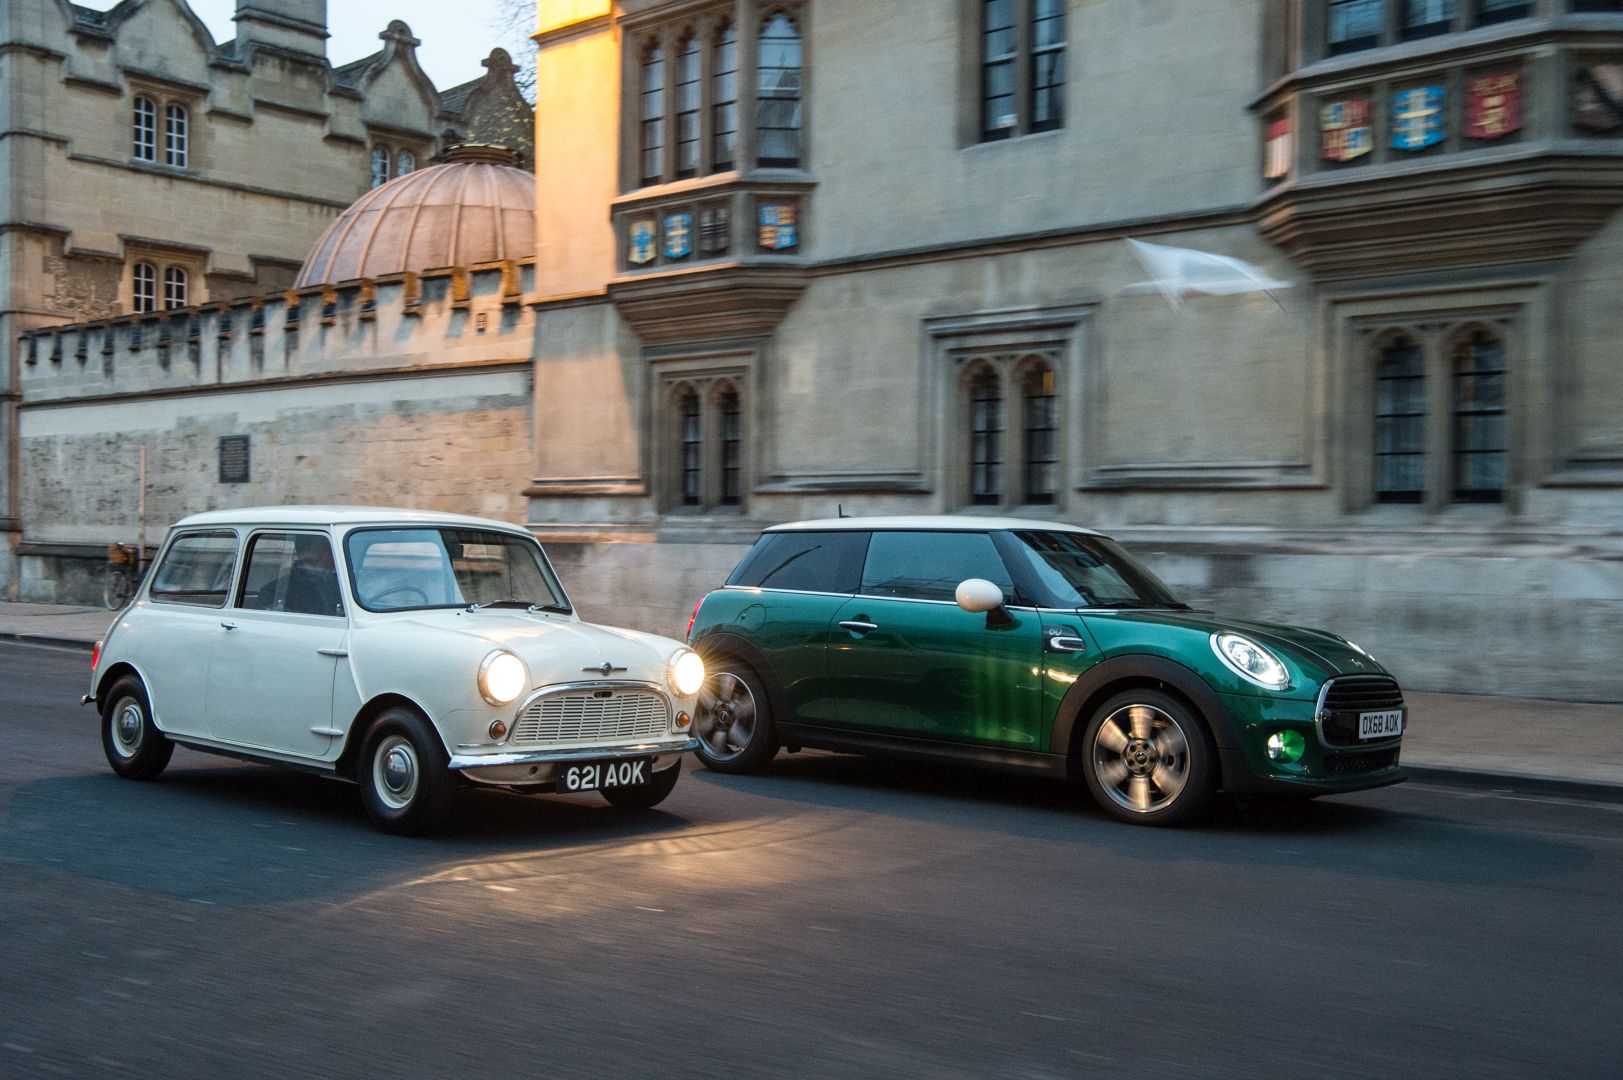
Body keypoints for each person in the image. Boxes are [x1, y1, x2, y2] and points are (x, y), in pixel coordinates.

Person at [284, 535, 343, 617]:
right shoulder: (287, 588)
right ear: (305, 554)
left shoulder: (336, 581)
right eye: (326, 550)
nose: (332, 555)